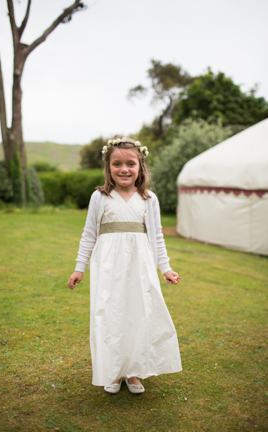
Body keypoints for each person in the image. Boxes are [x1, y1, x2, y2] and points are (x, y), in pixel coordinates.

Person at [67, 137, 182, 394]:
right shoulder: (100, 197)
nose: (124, 169)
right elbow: (89, 234)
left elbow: (157, 236)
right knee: (110, 314)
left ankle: (134, 372)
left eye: (130, 163)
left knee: (138, 314)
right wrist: (79, 267)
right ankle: (113, 371)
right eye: (117, 164)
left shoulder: (148, 198)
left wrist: (165, 268)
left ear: (140, 167)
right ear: (108, 168)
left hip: (139, 265)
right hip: (107, 266)